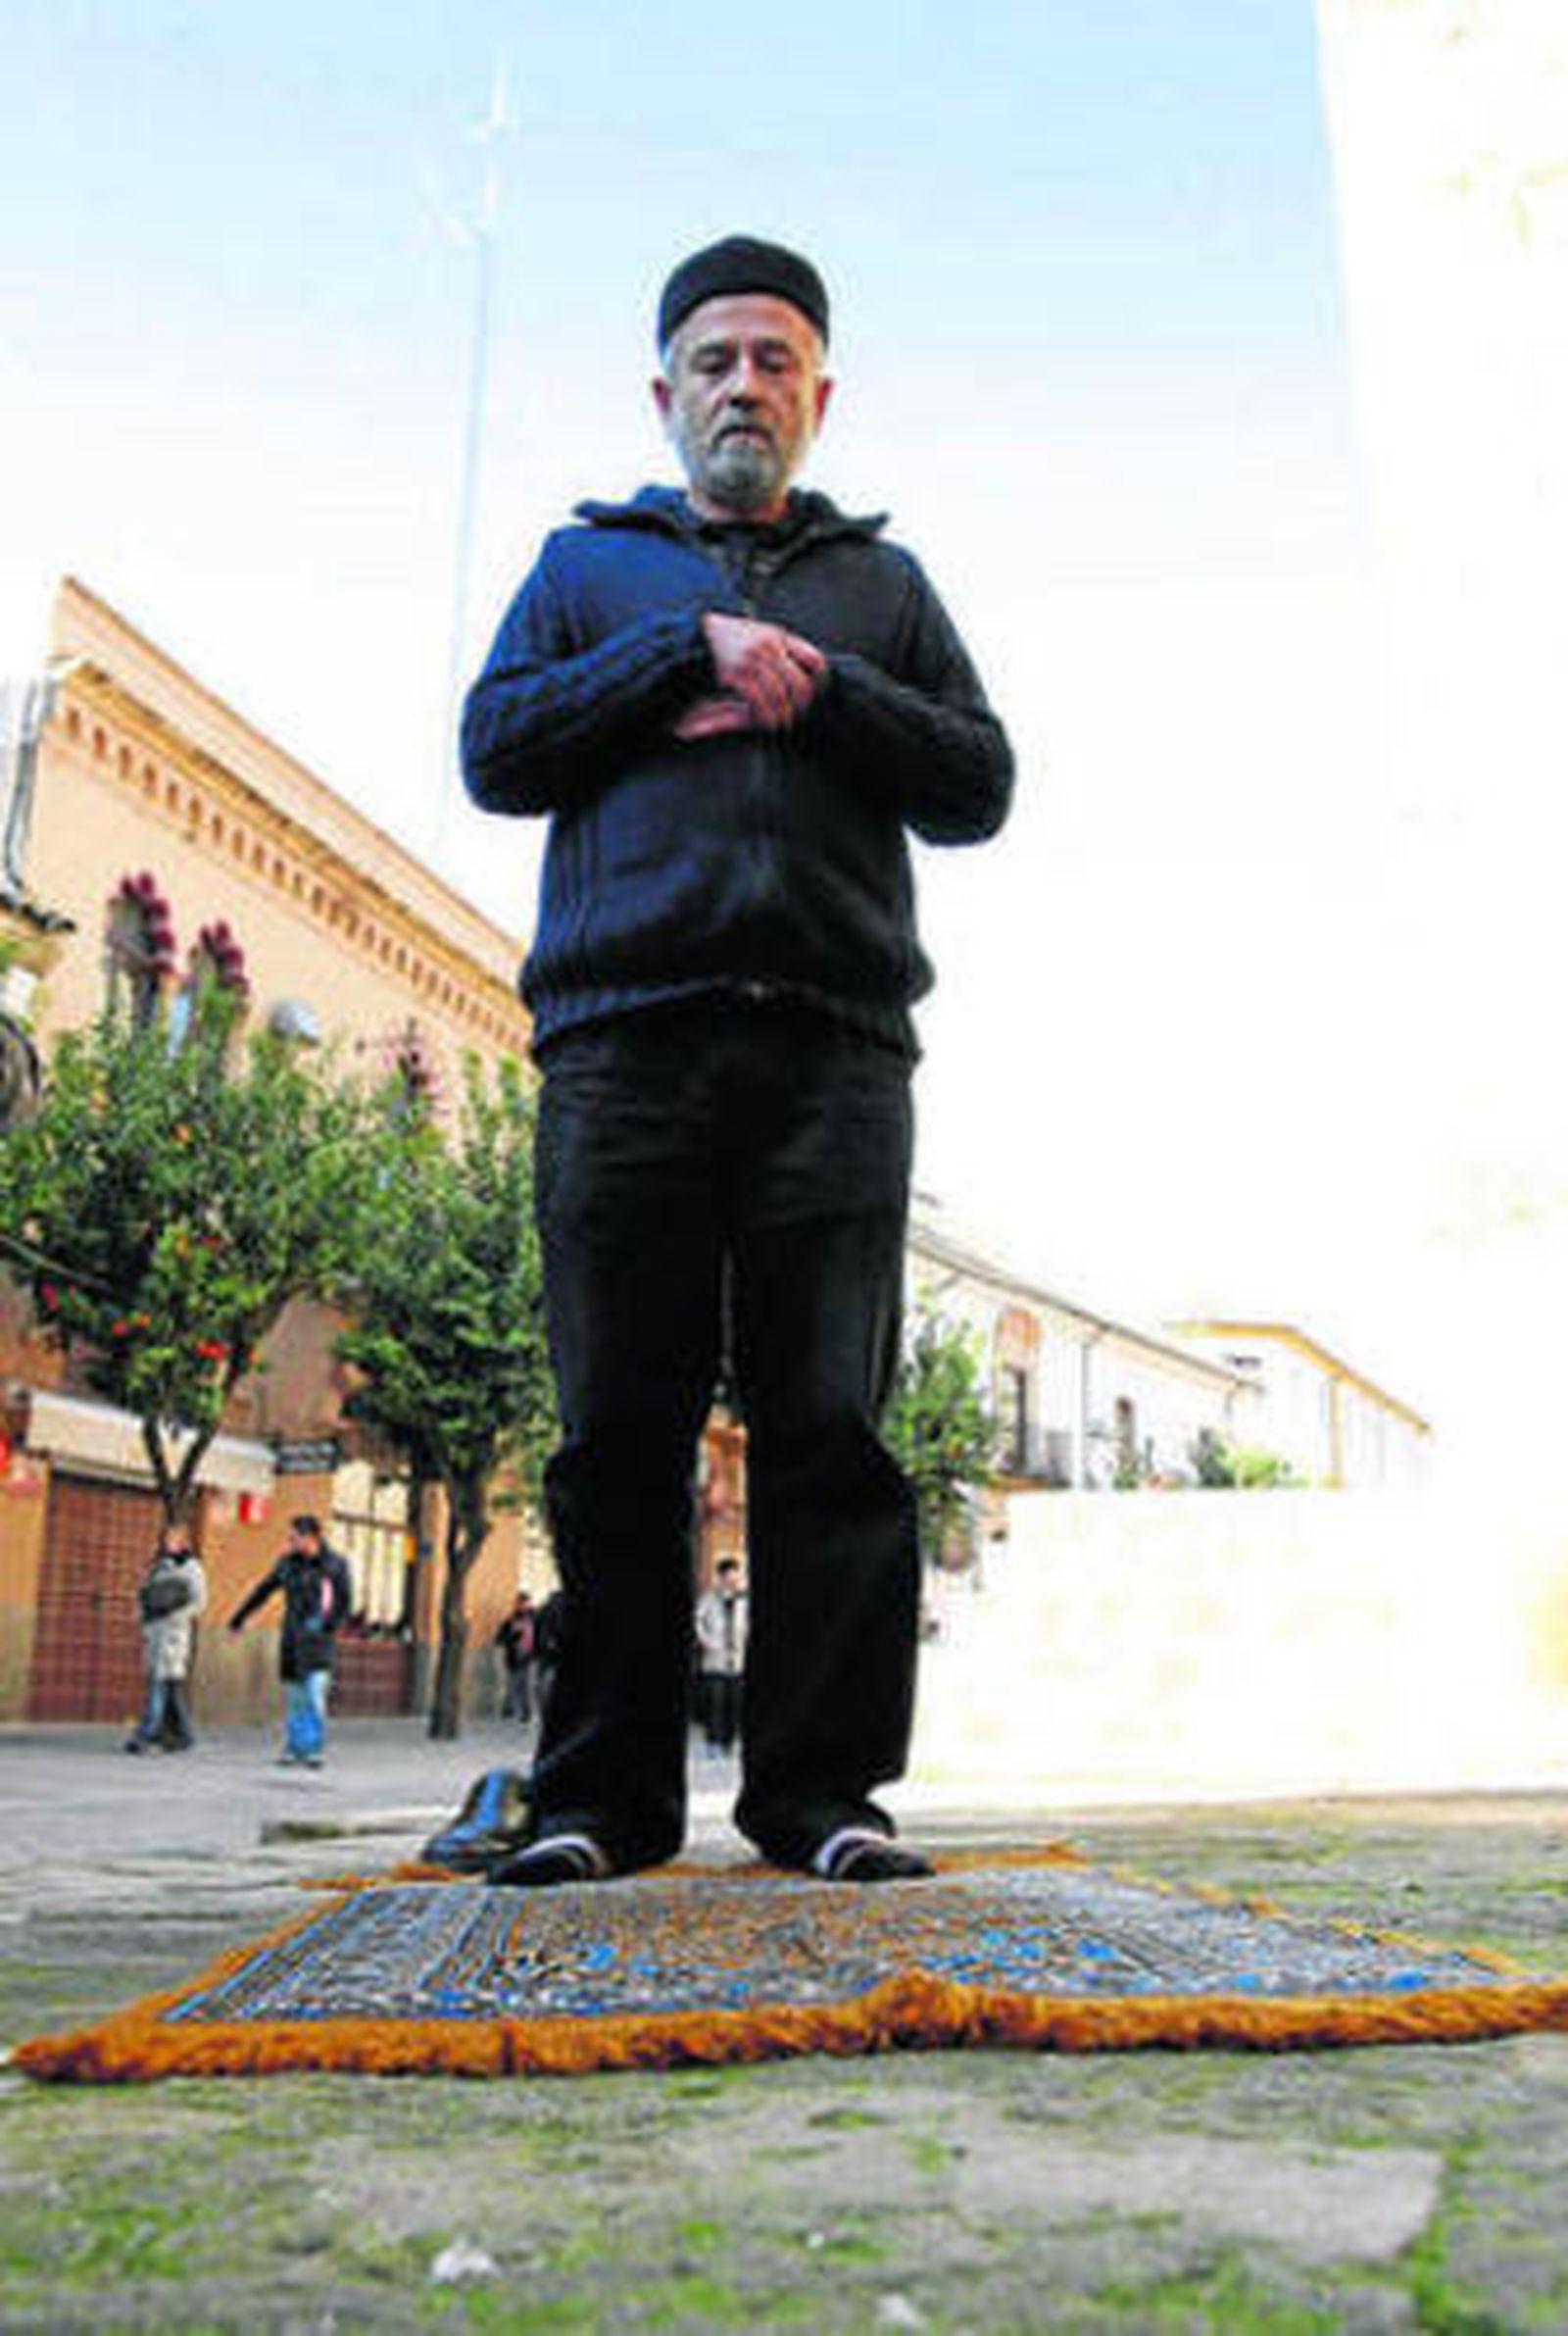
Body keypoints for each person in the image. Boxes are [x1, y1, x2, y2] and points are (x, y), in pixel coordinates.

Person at [457, 233, 1012, 1888]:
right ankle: (597, 1804)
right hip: (622, 1049)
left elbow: (978, 779)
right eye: (714, 360)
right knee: (612, 1428)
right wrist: (682, 656)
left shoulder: (883, 593)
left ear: (819, 392)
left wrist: (817, 691)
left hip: (835, 1056)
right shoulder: (586, 570)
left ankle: (822, 1796)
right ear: (664, 388)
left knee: (829, 1424)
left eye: (775, 361)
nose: (744, 388)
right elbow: (495, 747)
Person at [227, 1514, 353, 1768]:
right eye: (290, 1538)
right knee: (295, 1697)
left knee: (314, 1695)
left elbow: (344, 1601)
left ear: (312, 1537)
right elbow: (263, 1590)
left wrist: (328, 1626)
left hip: (318, 1642)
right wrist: (239, 1618)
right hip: (293, 1639)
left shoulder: (334, 1564)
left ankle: (313, 1748)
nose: (291, 1542)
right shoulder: (287, 1564)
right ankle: (295, 1747)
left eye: (295, 1537)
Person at [124, 1521, 207, 1754]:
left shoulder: (192, 1568)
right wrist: (142, 1619)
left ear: (183, 1542)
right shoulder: (158, 1567)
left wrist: (176, 1619)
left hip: (174, 1636)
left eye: (173, 1539)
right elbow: (145, 1594)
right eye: (166, 1538)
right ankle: (183, 1735)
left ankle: (146, 1734)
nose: (167, 1543)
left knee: (159, 1684)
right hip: (155, 1632)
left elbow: (199, 1602)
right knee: (170, 1686)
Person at [694, 1558, 748, 1754]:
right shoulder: (708, 1597)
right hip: (715, 1658)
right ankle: (713, 1743)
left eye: (736, 1574)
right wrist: (706, 1641)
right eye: (729, 1575)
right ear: (721, 1576)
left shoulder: (744, 1599)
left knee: (735, 1704)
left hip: (737, 1660)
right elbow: (697, 1622)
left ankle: (730, 1742)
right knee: (715, 1703)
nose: (733, 1579)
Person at [495, 1588, 538, 1723]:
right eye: (519, 1603)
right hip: (514, 1657)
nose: (521, 1606)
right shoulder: (510, 1620)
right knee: (512, 1685)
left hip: (530, 1657)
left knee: (527, 1686)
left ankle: (527, 1712)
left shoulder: (536, 1619)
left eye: (524, 1603)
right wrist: (513, 1635)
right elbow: (499, 1639)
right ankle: (509, 1711)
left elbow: (541, 1636)